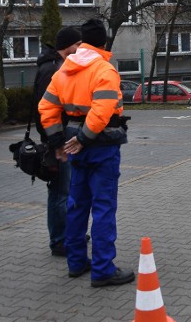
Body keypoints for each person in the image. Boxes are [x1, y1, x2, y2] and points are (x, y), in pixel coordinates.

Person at [38, 18, 135, 287]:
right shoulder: (104, 70)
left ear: (83, 42)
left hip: (74, 147)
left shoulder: (63, 71)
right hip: (101, 147)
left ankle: (77, 262)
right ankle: (103, 269)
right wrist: (84, 138)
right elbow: (103, 109)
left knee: (77, 204)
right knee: (103, 207)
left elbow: (46, 108)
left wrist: (59, 142)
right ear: (103, 42)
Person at [33, 26, 82, 257]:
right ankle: (59, 241)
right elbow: (46, 109)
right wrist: (56, 141)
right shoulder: (52, 69)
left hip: (61, 137)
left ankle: (69, 233)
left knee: (66, 189)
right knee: (60, 191)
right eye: (77, 44)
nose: (80, 48)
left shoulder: (56, 66)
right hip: (57, 140)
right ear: (67, 47)